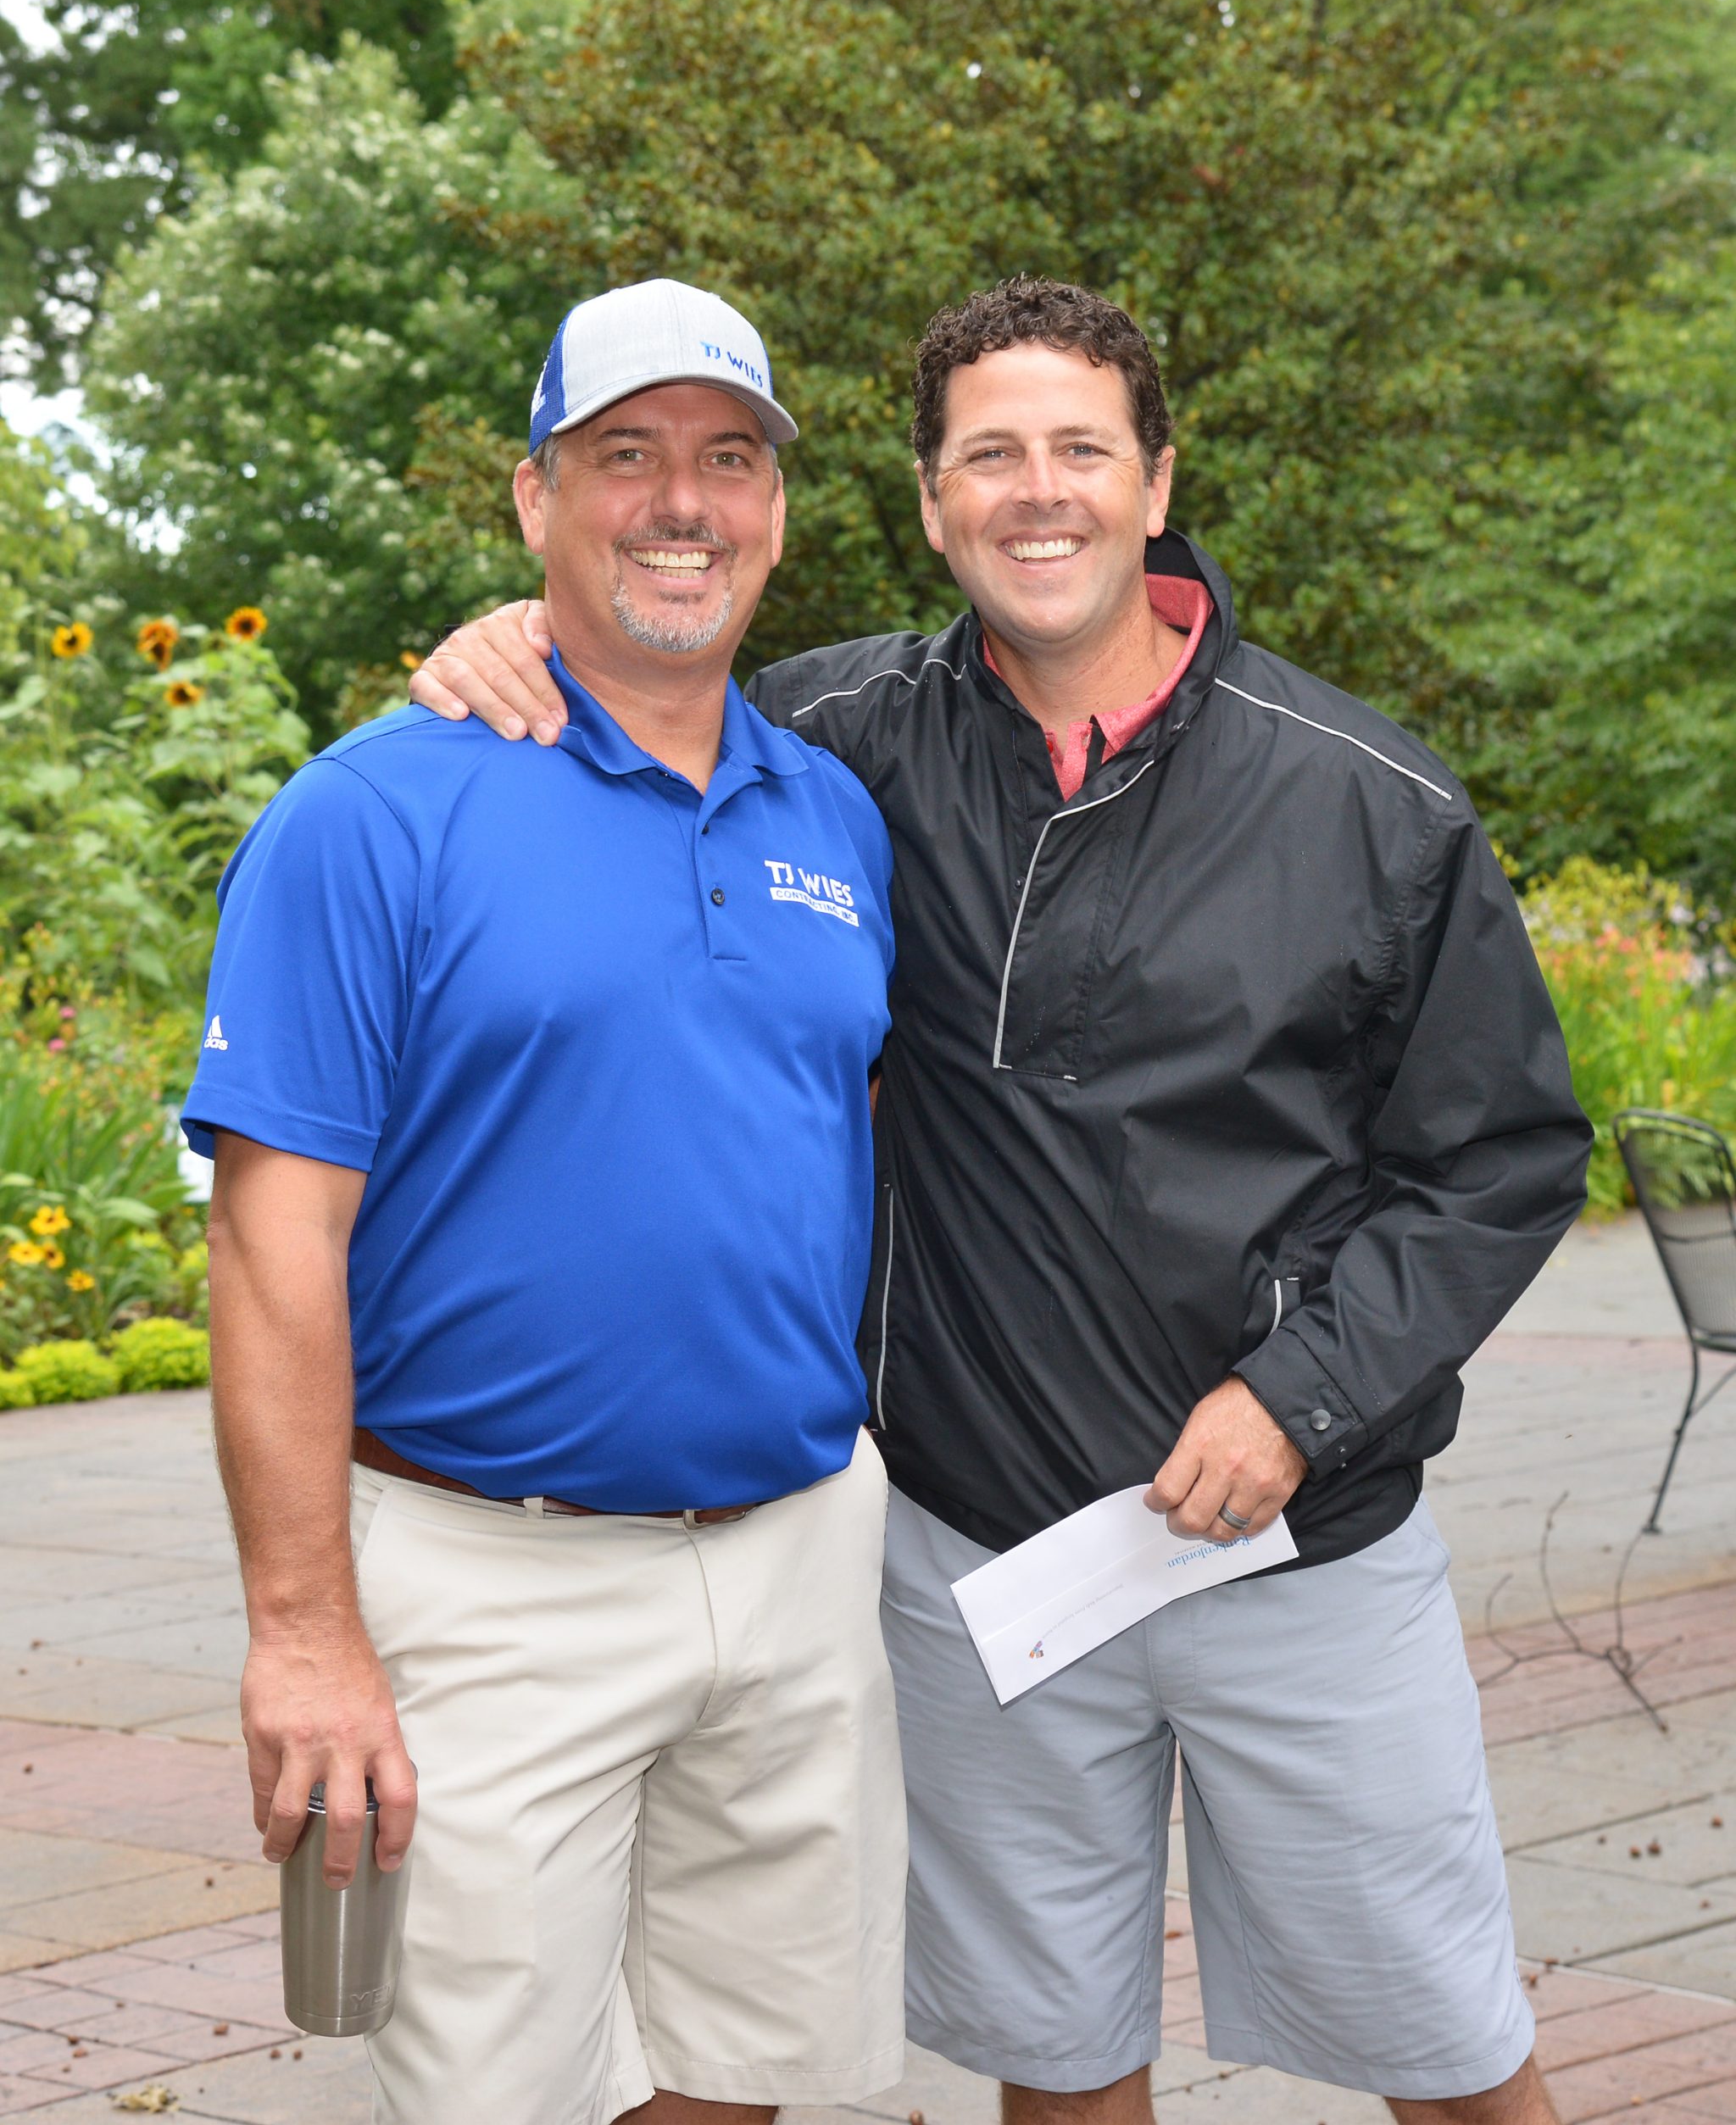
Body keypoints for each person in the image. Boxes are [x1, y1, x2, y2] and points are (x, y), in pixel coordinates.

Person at [416, 274, 1592, 2125]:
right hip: (979, 1559)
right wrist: (509, 641)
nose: (1037, 491)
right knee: (1054, 2063)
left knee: (1447, 2049)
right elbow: (642, 679)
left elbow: (1500, 1159)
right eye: (990, 456)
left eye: (1080, 450)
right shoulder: (833, 745)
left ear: (1155, 481)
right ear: (931, 499)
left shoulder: (1369, 801)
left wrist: (1300, 1399)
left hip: (1296, 1539)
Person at [184, 278, 905, 2125]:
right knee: (493, 2096)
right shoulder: (373, 814)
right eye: (625, 455)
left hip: (798, 1554)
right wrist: (303, 1628)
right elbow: (270, 1239)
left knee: (745, 2073)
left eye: (728, 460)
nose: (682, 503)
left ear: (776, 509)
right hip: (488, 1581)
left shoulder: (832, 813)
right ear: (534, 499)